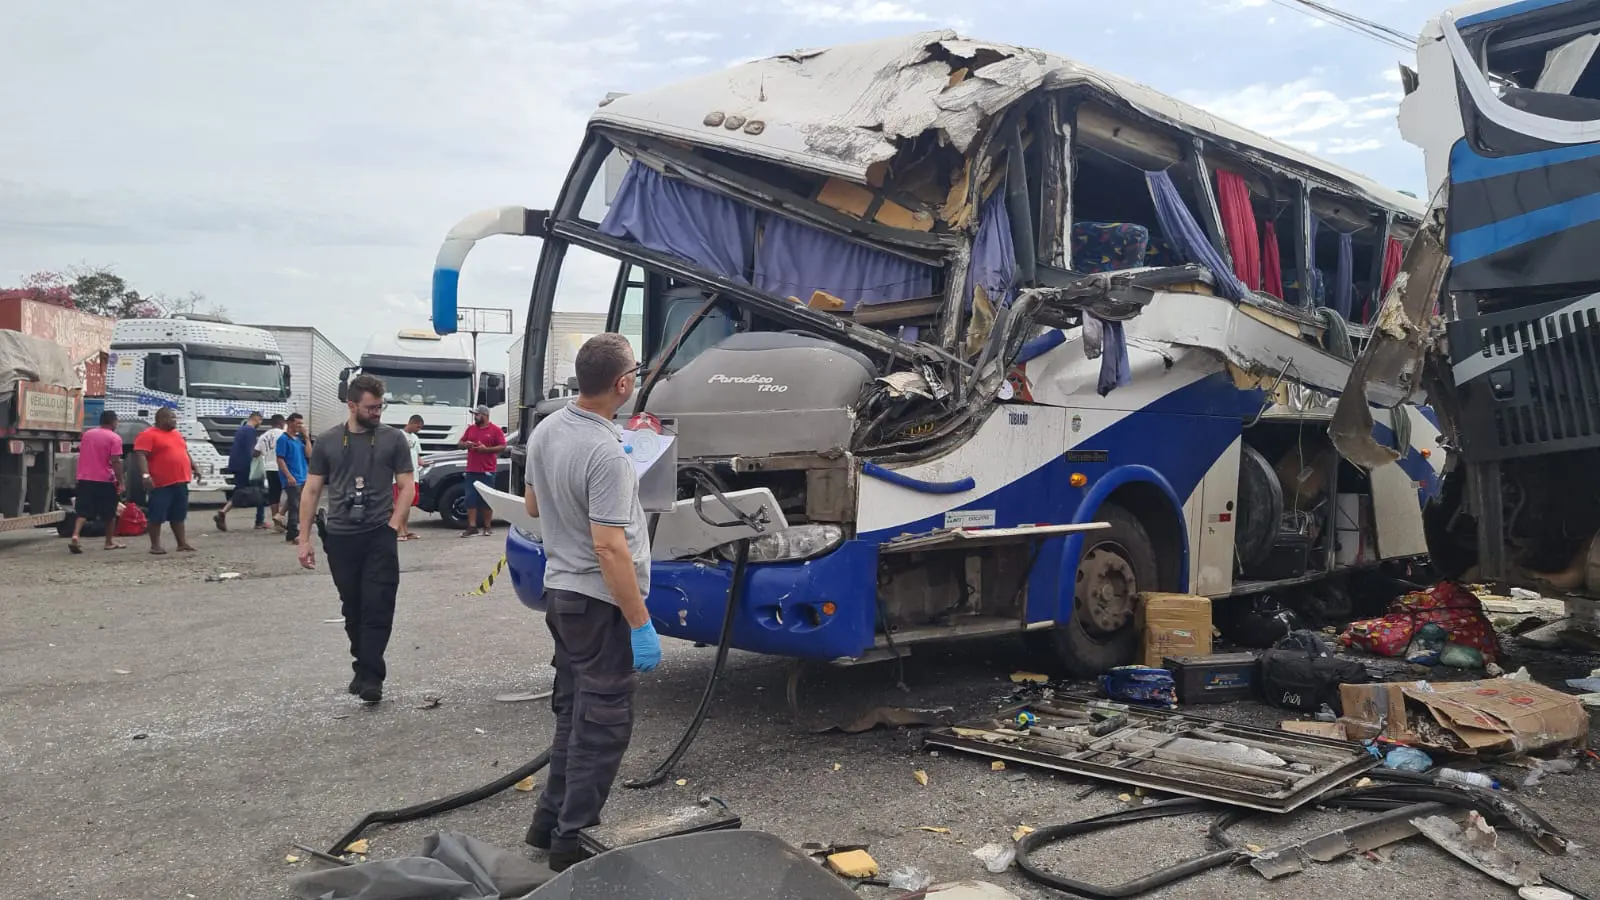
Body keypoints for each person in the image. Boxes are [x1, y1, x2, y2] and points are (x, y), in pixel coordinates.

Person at [521, 333, 661, 873]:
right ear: (623, 384)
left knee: (573, 713)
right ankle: (570, 842)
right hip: (598, 602)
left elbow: (534, 503)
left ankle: (547, 823)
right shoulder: (606, 452)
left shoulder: (548, 428)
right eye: (636, 374)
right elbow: (609, 546)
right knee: (602, 725)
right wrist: (640, 620)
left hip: (561, 593)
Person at [296, 374, 415, 703]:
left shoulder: (393, 439)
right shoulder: (329, 441)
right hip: (340, 536)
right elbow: (312, 489)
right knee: (353, 607)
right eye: (371, 407)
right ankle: (362, 668)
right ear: (351, 405)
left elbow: (407, 486)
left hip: (379, 533)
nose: (378, 413)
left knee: (378, 605)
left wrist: (394, 525)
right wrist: (303, 538)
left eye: (381, 406)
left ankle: (372, 678)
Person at [133, 407, 198, 555]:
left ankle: (182, 543)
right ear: (160, 420)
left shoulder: (176, 434)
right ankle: (155, 545)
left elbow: (183, 451)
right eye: (171, 418)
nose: (174, 421)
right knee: (157, 514)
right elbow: (141, 454)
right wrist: (145, 475)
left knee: (179, 514)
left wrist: (194, 466)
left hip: (180, 480)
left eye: (175, 418)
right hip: (161, 483)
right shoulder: (148, 435)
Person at [70, 409, 126, 553]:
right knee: (109, 513)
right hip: (105, 480)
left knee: (82, 511)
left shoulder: (87, 435)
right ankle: (109, 542)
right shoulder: (115, 438)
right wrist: (121, 481)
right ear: (113, 422)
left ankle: (75, 535)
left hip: (85, 478)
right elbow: (115, 461)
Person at [457, 404, 506, 537]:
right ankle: (472, 526)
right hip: (472, 469)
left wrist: (486, 450)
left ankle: (487, 526)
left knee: (486, 499)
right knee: (470, 498)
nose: (475, 417)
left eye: (477, 415)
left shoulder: (495, 430)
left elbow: (503, 446)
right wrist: (465, 444)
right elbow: (460, 442)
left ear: (484, 416)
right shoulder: (471, 429)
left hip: (487, 469)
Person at [215, 412, 265, 532]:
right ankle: (260, 521)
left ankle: (223, 512)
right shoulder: (250, 431)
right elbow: (251, 451)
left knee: (240, 490)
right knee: (260, 491)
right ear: (257, 419)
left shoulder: (241, 430)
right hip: (245, 466)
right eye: (261, 421)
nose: (261, 424)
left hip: (237, 464)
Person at [276, 413, 309, 544]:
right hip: (292, 477)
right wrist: (288, 475)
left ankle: (292, 532)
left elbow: (309, 454)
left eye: (301, 424)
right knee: (294, 506)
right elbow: (280, 459)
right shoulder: (283, 439)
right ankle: (293, 533)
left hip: (302, 475)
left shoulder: (298, 440)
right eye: (297, 423)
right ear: (289, 423)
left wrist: (306, 437)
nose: (299, 426)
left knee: (298, 504)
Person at [255, 414, 287, 530]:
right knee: (293, 493)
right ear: (281, 423)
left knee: (274, 494)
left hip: (269, 467)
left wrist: (266, 453)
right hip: (282, 467)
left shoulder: (264, 436)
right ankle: (282, 515)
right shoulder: (283, 434)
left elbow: (255, 453)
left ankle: (276, 520)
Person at [396, 415, 424, 541]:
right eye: (418, 427)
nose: (419, 429)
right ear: (412, 423)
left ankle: (405, 530)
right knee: (400, 503)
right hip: (400, 475)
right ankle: (399, 531)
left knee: (408, 504)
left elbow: (417, 457)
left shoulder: (415, 438)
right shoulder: (398, 436)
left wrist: (425, 463)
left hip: (413, 476)